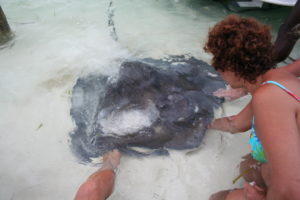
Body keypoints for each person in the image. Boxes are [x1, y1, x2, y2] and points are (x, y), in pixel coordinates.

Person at [204, 14, 300, 199]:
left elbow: (291, 187)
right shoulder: (274, 81)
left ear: (233, 67)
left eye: (218, 63)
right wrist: (204, 124)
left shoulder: (268, 98)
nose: (216, 69)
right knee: (248, 167)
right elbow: (235, 123)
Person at [214, 0, 300, 100]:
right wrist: (248, 87)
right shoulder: (265, 92)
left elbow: (289, 34)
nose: (218, 69)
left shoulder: (265, 97)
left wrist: (250, 83)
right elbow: (290, 32)